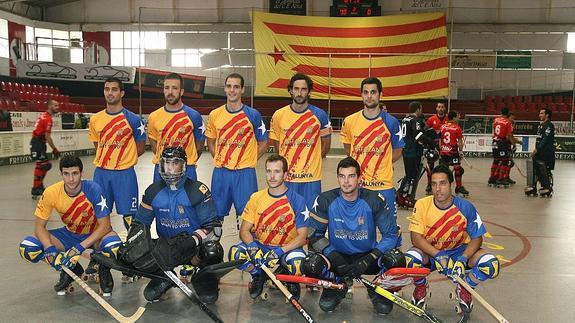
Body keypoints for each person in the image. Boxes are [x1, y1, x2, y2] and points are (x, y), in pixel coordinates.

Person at [118, 146, 223, 303]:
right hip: (166, 249)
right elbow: (140, 224)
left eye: (175, 163)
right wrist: (132, 245)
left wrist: (192, 240)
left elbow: (215, 228)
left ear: (184, 166)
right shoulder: (153, 191)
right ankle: (164, 276)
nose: (170, 169)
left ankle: (204, 278)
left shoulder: (197, 190)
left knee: (212, 250)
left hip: (193, 248)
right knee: (148, 290)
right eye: (167, 163)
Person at [305, 157, 404, 314]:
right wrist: (335, 258)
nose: (346, 181)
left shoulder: (374, 200)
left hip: (367, 256)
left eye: (351, 176)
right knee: (311, 263)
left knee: (395, 258)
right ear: (337, 177)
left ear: (359, 178)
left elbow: (391, 235)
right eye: (342, 176)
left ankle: (378, 289)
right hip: (337, 257)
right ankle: (335, 286)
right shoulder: (325, 200)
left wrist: (369, 259)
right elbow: (315, 235)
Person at [405, 165, 499, 321]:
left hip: (458, 252)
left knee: (491, 265)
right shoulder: (422, 204)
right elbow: (416, 238)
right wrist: (438, 255)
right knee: (410, 259)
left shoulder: (466, 207)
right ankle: (421, 287)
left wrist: (463, 258)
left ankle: (465, 287)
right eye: (434, 184)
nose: (438, 189)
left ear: (451, 184)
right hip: (431, 253)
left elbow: (477, 237)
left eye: (442, 183)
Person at [19, 156, 122, 297]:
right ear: (61, 174)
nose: (71, 179)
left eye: (75, 173)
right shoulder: (51, 192)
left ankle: (103, 269)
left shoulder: (93, 189)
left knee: (114, 246)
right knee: (28, 247)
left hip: (96, 234)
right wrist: (49, 249)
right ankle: (70, 269)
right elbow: (39, 227)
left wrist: (79, 248)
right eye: (66, 174)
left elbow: (105, 226)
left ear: (81, 173)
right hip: (70, 234)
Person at [229, 154, 308, 300]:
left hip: (286, 248)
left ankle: (290, 280)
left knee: (298, 264)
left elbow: (302, 237)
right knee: (236, 254)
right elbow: (244, 230)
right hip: (261, 246)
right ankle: (258, 275)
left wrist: (279, 251)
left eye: (277, 172)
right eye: (268, 171)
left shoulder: (297, 200)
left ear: (285, 174)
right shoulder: (256, 198)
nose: (272, 176)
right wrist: (252, 246)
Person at [205, 73, 268, 227]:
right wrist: (219, 158)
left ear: (242, 90)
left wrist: (251, 159)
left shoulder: (253, 115)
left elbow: (264, 143)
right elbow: (211, 140)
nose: (232, 90)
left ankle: (246, 250)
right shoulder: (215, 114)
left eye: (236, 87)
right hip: (221, 172)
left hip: (245, 173)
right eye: (229, 86)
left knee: (247, 217)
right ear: (225, 89)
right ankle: (213, 249)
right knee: (215, 218)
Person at [340, 77, 404, 218]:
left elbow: (398, 151)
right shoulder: (350, 121)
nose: (369, 96)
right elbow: (348, 149)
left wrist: (382, 163)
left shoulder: (391, 122)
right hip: (358, 187)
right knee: (359, 230)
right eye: (366, 92)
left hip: (383, 186)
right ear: (361, 95)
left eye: (373, 92)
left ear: (380, 95)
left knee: (389, 231)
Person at [88, 77, 146, 231]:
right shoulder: (95, 119)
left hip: (125, 174)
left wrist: (124, 160)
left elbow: (140, 148)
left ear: (122, 93)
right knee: (100, 213)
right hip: (101, 173)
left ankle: (133, 246)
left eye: (114, 89)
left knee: (129, 216)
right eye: (107, 89)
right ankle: (105, 243)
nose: (110, 93)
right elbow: (97, 145)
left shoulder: (133, 120)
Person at [269, 73, 332, 210]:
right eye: (296, 89)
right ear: (290, 90)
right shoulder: (279, 115)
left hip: (311, 179)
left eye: (303, 89)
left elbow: (326, 145)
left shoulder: (320, 115)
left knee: (310, 218)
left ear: (309, 92)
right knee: (287, 215)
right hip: (287, 178)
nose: (299, 93)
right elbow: (276, 143)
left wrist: (311, 161)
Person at [147, 72, 205, 182]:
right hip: (161, 169)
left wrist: (184, 161)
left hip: (187, 170)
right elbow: (154, 145)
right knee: (161, 199)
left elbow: (200, 145)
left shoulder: (193, 116)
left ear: (181, 91)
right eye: (166, 88)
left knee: (186, 199)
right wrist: (168, 161)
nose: (170, 92)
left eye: (174, 88)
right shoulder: (154, 116)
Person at [397, 101, 429, 208]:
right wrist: (430, 143)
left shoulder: (405, 119)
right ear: (418, 109)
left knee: (410, 174)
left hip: (406, 150)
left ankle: (405, 196)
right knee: (412, 175)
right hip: (413, 151)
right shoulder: (416, 120)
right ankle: (402, 195)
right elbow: (418, 135)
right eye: (421, 108)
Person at [30, 99, 61, 198]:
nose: (58, 107)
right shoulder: (48, 119)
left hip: (38, 143)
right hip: (38, 143)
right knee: (42, 165)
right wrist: (54, 149)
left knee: (44, 165)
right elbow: (47, 136)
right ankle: (36, 189)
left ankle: (39, 186)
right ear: (50, 106)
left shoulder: (44, 116)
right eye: (55, 105)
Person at [525, 108, 555, 197]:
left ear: (547, 115)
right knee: (535, 169)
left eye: (542, 113)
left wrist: (537, 149)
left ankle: (546, 187)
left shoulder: (549, 125)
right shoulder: (541, 125)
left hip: (546, 153)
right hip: (539, 152)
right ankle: (532, 186)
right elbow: (539, 139)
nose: (540, 115)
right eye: (539, 113)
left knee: (544, 170)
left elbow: (545, 139)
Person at [489, 107, 522, 188]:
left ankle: (492, 178)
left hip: (494, 142)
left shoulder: (496, 120)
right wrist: (514, 143)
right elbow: (509, 136)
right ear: (508, 114)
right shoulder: (508, 122)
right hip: (502, 143)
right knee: (505, 160)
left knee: (496, 160)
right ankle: (500, 179)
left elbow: (493, 130)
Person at [439, 110, 468, 197]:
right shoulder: (457, 128)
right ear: (454, 117)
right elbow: (459, 141)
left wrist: (440, 150)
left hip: (444, 152)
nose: (459, 117)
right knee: (458, 169)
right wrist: (461, 151)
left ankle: (443, 189)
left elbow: (440, 140)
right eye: (458, 116)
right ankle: (458, 187)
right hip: (453, 152)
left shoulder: (442, 126)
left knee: (444, 171)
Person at [424, 102, 447, 195]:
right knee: (430, 166)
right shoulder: (431, 119)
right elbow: (425, 131)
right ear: (436, 109)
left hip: (444, 146)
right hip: (432, 145)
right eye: (439, 107)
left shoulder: (448, 119)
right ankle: (429, 184)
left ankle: (443, 184)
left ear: (444, 108)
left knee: (443, 166)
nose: (440, 109)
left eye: (442, 107)